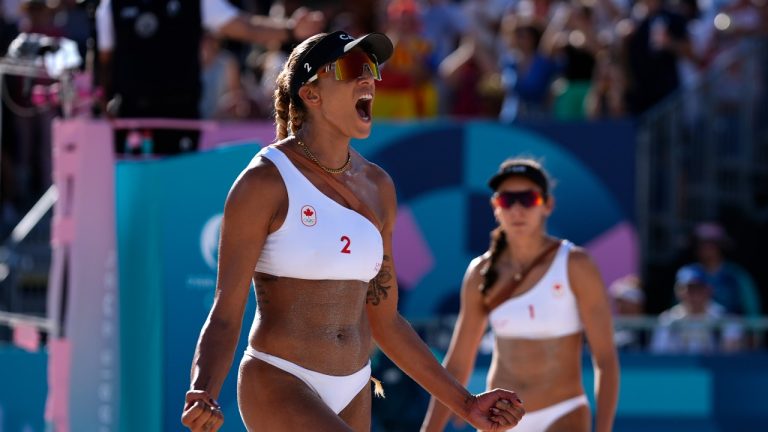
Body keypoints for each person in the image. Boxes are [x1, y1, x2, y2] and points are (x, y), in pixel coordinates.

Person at [180, 31, 525, 432]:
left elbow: (387, 322)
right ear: (311, 94)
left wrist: (467, 405)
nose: (368, 80)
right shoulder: (265, 182)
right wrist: (203, 390)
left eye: (370, 68)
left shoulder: (378, 186)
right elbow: (225, 311)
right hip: (279, 379)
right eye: (349, 69)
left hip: (355, 386)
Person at [421, 158, 619, 432]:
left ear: (547, 205)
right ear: (495, 207)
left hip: (563, 414)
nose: (516, 209)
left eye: (527, 198)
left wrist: (605, 429)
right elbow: (458, 362)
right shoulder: (481, 271)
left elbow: (606, 359)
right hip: (499, 419)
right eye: (507, 200)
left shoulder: (575, 264)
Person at [95, 0, 324, 154]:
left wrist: (292, 30)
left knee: (179, 193)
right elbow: (103, 64)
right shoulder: (111, 6)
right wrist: (100, 105)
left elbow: (246, 27)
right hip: (131, 121)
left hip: (182, 119)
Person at [650, 266, 744, 354]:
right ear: (678, 292)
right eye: (689, 289)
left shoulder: (725, 317)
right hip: (679, 370)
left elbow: (731, 356)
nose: (694, 295)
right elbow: (661, 355)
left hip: (714, 370)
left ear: (708, 290)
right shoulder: (668, 319)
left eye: (698, 288)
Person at [676, 222, 761, 318]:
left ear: (720, 245)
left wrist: (752, 331)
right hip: (693, 330)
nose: (706, 248)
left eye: (711, 243)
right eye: (701, 243)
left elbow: (752, 312)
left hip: (732, 330)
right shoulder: (687, 274)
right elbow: (677, 310)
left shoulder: (736, 275)